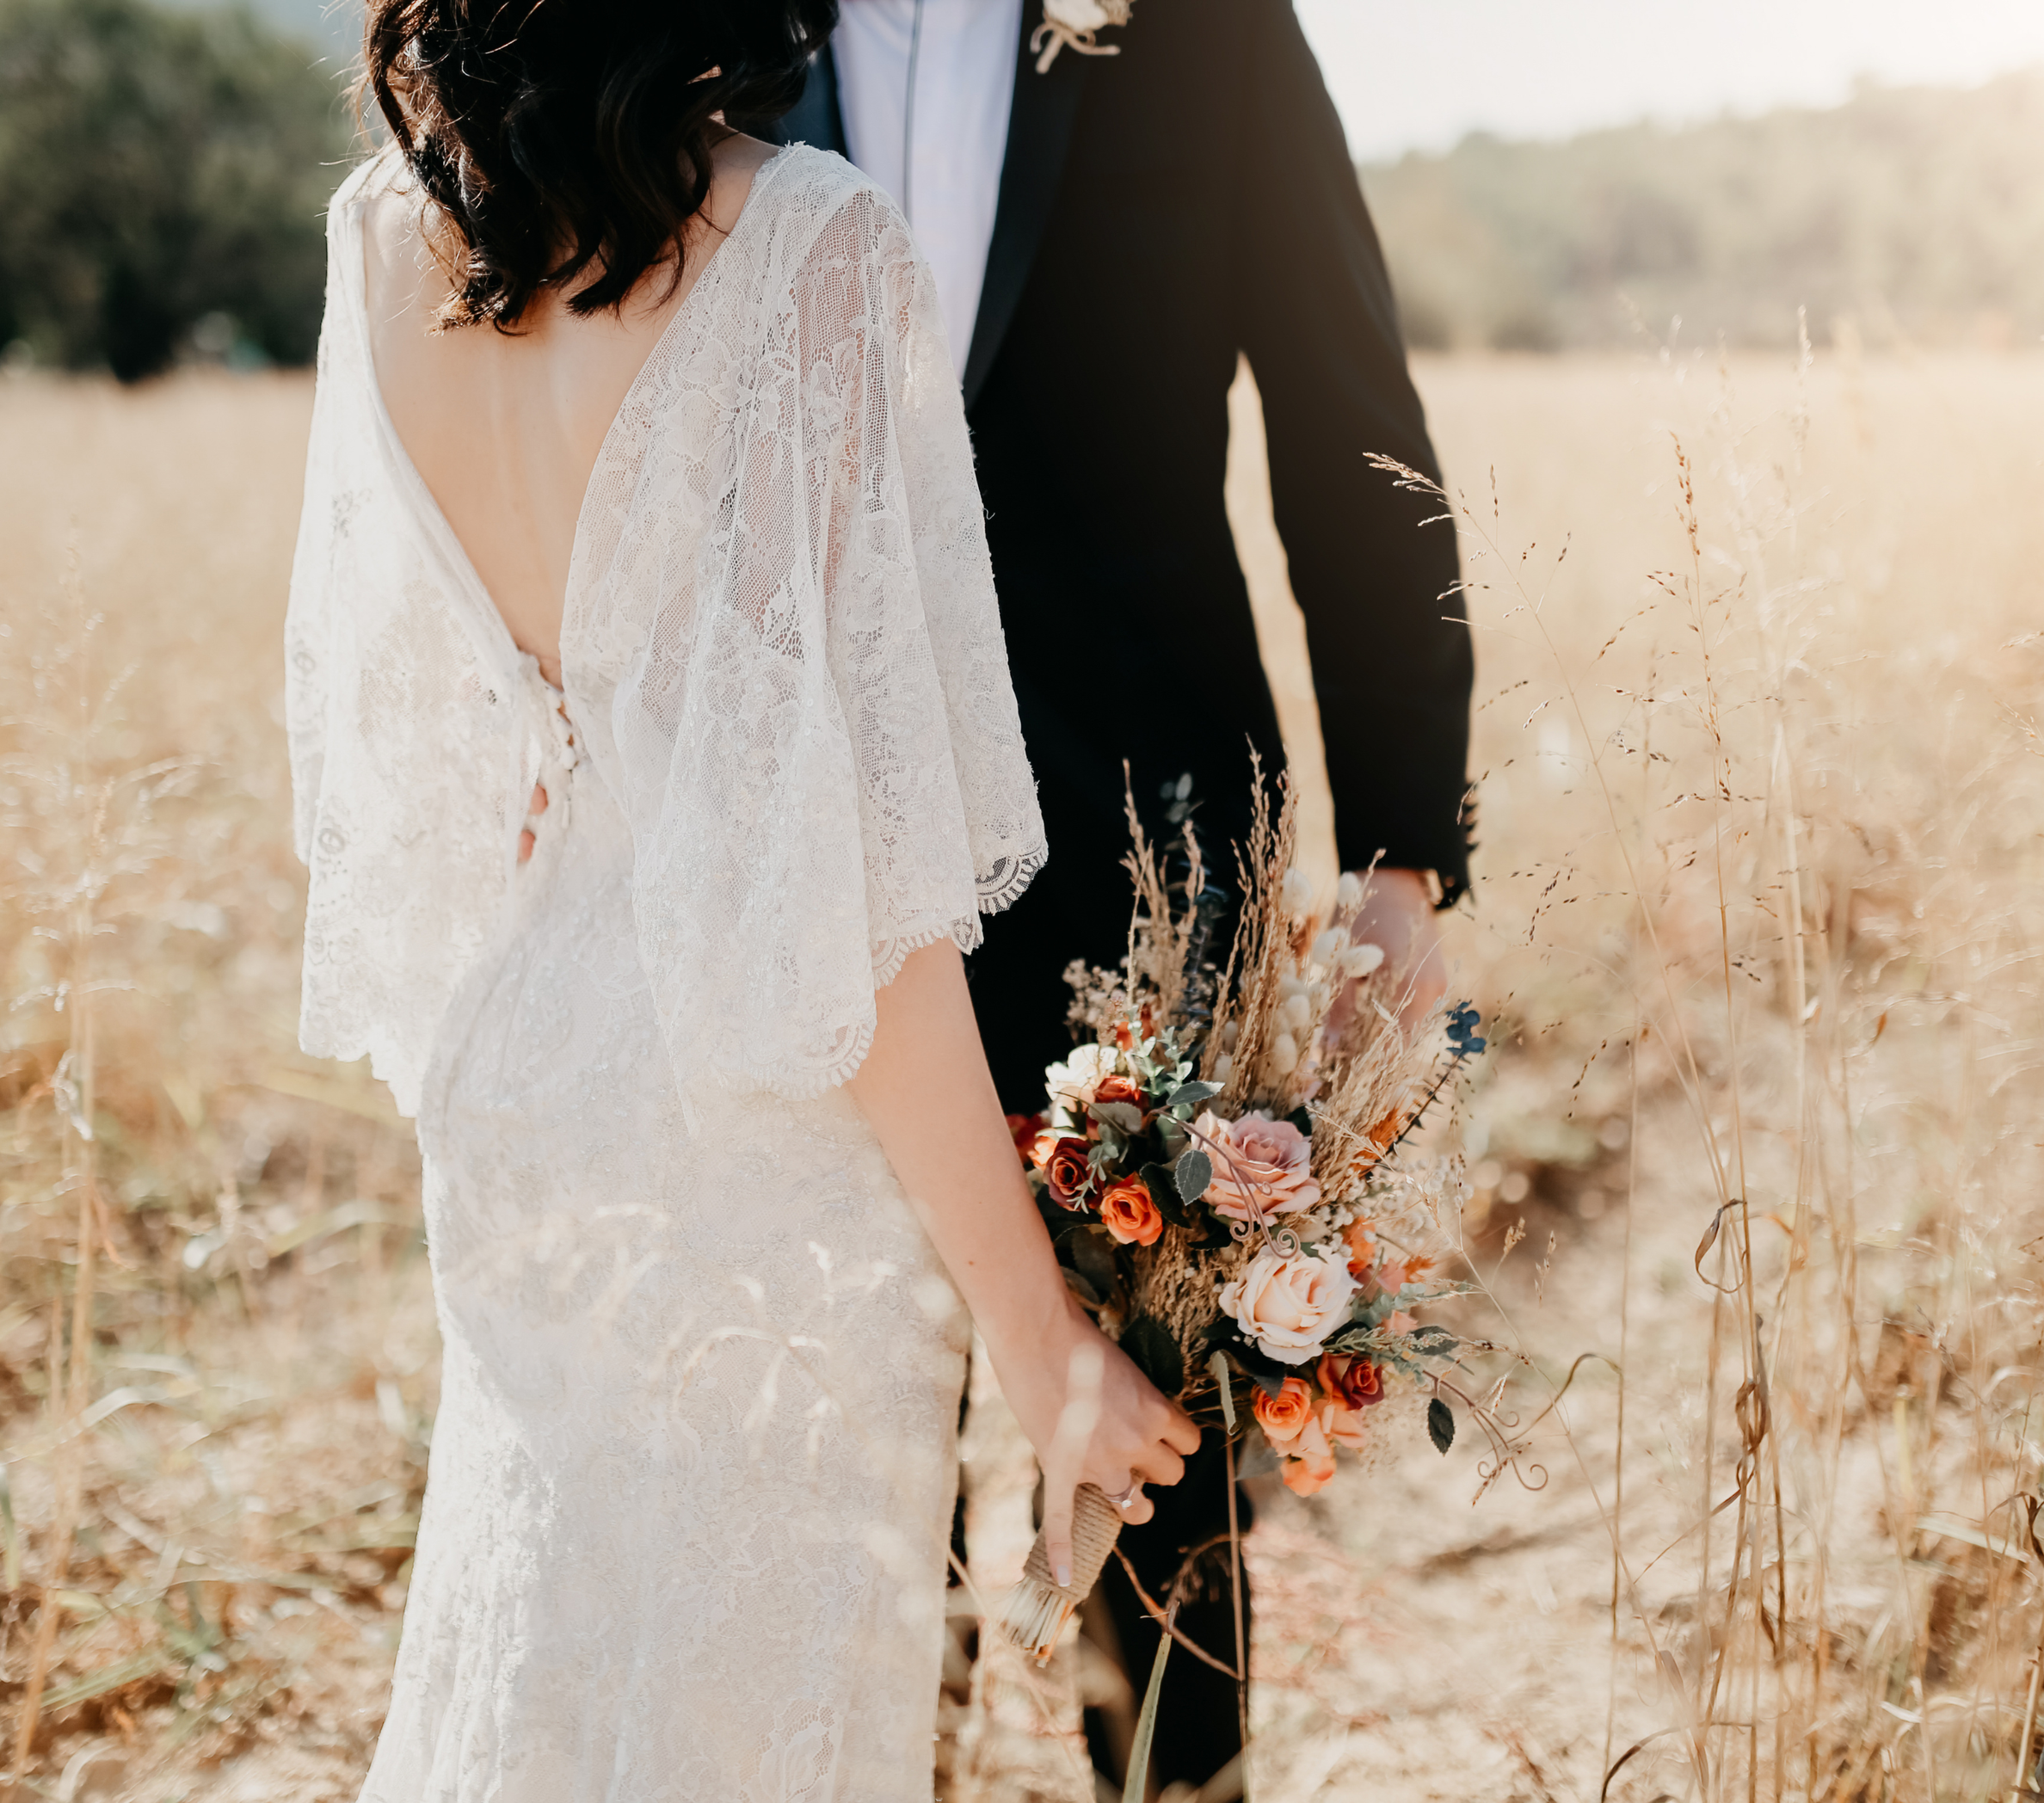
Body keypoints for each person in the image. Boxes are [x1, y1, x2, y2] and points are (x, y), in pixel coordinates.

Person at [282, 3, 1201, 1795]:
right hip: (753, 1139)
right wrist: (1036, 1338)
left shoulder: (387, 236)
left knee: (537, 1659)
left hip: (523, 1070)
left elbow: (419, 751)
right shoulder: (805, 242)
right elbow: (849, 895)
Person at [760, 1, 1475, 1791]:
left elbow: (1346, 411)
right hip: (792, 854)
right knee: (837, 1470)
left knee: (1161, 1487)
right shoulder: (688, 27)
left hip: (1147, 850)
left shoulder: (1204, 17)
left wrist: (1399, 851)